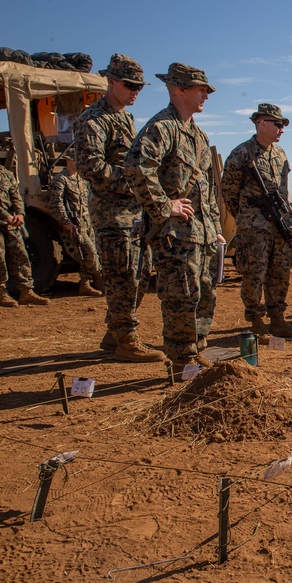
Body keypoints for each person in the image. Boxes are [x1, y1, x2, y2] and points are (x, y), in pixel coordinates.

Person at [125, 62, 223, 368]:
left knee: (205, 294)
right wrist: (166, 206)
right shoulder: (162, 128)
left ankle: (197, 351)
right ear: (178, 90)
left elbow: (207, 187)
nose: (206, 95)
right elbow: (135, 166)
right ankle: (182, 359)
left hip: (201, 234)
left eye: (207, 90)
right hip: (175, 235)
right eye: (200, 90)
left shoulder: (198, 135)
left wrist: (215, 227)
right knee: (181, 297)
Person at [75, 53, 162, 360]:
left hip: (134, 214)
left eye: (139, 86)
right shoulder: (93, 119)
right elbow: (90, 167)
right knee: (122, 276)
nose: (135, 90)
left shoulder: (124, 117)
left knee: (139, 275)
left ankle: (115, 332)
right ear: (110, 82)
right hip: (111, 214)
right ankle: (126, 339)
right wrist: (132, 183)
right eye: (129, 84)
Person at [221, 103, 292, 343]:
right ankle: (257, 322)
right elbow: (229, 192)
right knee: (254, 274)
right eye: (278, 124)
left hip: (280, 225)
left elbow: (284, 191)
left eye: (283, 125)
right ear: (261, 123)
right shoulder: (241, 154)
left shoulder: (280, 155)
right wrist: (248, 217)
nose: (282, 130)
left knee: (280, 273)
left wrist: (286, 218)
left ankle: (278, 319)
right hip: (255, 227)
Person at [0, 165, 50, 307]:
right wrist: (6, 215)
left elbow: (16, 196)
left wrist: (20, 214)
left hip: (10, 224)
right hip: (1, 221)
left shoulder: (5, 174)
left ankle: (26, 291)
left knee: (20, 255)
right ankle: (0, 292)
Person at [49, 162, 102, 296]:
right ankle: (96, 278)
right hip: (74, 224)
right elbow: (55, 205)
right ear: (68, 160)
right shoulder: (61, 180)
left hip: (87, 221)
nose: (79, 162)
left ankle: (85, 283)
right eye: (75, 160)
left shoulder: (81, 179)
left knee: (90, 252)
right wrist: (66, 223)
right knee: (90, 252)